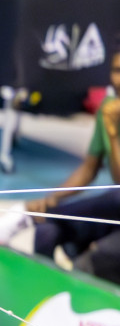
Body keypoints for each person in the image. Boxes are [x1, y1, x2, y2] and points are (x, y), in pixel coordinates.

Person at [25, 51, 120, 281]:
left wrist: (113, 131)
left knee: (92, 259)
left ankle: (34, 216)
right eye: (116, 71)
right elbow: (89, 168)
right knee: (46, 232)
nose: (119, 80)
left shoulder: (111, 117)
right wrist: (53, 198)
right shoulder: (109, 107)